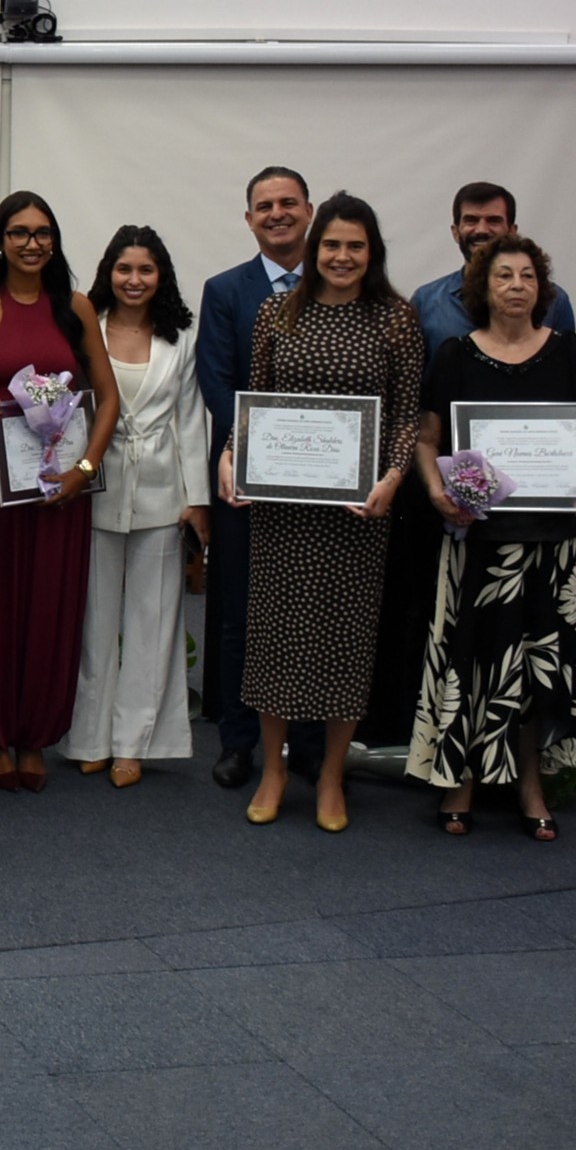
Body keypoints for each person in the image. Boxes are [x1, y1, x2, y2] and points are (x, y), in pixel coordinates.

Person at [217, 191, 423, 833]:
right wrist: (231, 457)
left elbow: (407, 408)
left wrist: (393, 476)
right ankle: (275, 768)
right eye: (331, 244)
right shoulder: (279, 312)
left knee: (344, 641)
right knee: (276, 636)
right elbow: (257, 399)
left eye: (354, 246)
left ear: (372, 252)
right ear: (314, 248)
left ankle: (332, 773)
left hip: (358, 513)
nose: (341, 256)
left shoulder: (395, 318)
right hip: (284, 509)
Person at [411, 234, 576, 841]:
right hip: (481, 540)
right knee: (473, 665)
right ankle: (460, 782)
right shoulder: (455, 354)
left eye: (527, 276)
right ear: (481, 289)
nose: (517, 286)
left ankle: (530, 783)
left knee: (541, 671)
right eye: (504, 277)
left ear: (540, 288)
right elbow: (427, 438)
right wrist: (440, 494)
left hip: (551, 544)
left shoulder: (568, 350)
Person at [0, 192, 120, 791]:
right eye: (19, 232)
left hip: (60, 491)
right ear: (0, 240)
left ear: (55, 240)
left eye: (42, 232)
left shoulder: (74, 307)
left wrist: (86, 467)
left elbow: (107, 396)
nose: (32, 243)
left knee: (51, 606)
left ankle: (35, 734)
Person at [59, 226, 211, 785]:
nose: (134, 280)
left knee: (154, 621)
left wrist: (197, 499)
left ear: (161, 276)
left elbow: (191, 419)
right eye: (125, 269)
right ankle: (89, 736)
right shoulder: (84, 329)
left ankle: (134, 743)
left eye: (146, 270)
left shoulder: (182, 339)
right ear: (109, 273)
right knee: (93, 621)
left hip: (163, 495)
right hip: (94, 489)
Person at [197, 168, 322, 790]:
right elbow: (216, 382)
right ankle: (239, 740)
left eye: (288, 203)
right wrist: (253, 446)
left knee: (312, 611)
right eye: (264, 206)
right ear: (248, 219)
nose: (277, 214)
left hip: (324, 483)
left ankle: (307, 742)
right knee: (240, 611)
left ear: (310, 211)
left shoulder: (339, 284)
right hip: (243, 475)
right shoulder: (225, 290)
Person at [413, 183, 575, 358]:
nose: (482, 230)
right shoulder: (426, 302)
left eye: (494, 220)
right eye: (471, 220)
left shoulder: (554, 301)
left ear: (512, 232)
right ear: (456, 232)